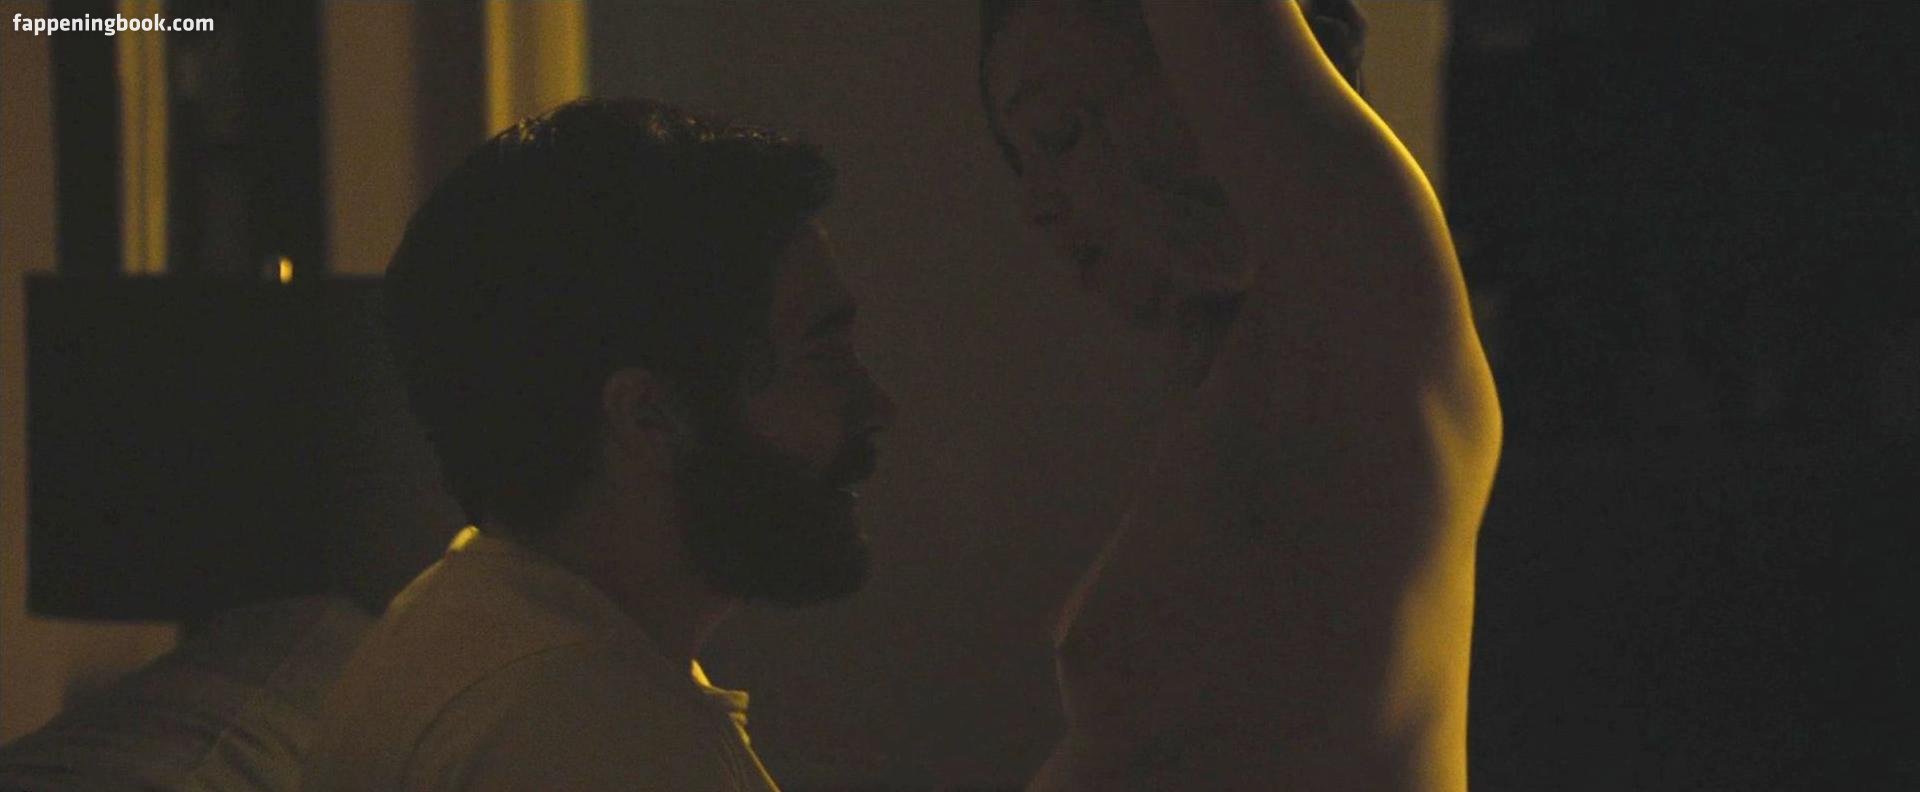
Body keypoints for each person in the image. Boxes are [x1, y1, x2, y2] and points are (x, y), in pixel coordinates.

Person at [301, 98, 895, 792]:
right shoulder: (586, 731)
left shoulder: (474, 626)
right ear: (649, 418)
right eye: (823, 357)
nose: (878, 405)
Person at [980, 1, 1502, 789]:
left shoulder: (1359, 304)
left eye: (1061, 133)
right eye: (1021, 161)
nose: (1036, 205)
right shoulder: (1238, 398)